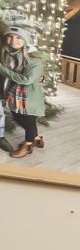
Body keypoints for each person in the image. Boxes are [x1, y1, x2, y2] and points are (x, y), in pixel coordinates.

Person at [1, 20, 47, 159]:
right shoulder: (11, 54)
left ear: (26, 40)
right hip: (17, 96)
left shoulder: (34, 59)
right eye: (10, 36)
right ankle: (37, 138)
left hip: (29, 97)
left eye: (19, 37)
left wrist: (1, 69)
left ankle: (27, 146)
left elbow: (26, 80)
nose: (13, 40)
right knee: (21, 118)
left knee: (27, 121)